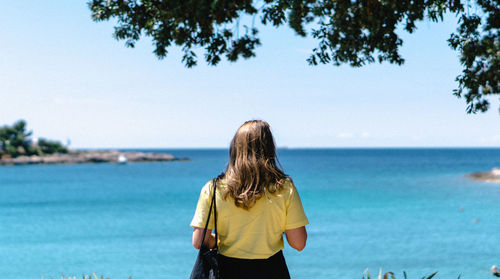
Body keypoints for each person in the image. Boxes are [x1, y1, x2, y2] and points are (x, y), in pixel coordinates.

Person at [190, 120, 309, 279]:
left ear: (235, 149)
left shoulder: (213, 188)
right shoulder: (284, 188)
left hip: (227, 271)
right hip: (272, 270)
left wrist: (219, 239)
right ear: (270, 149)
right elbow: (298, 243)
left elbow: (199, 242)